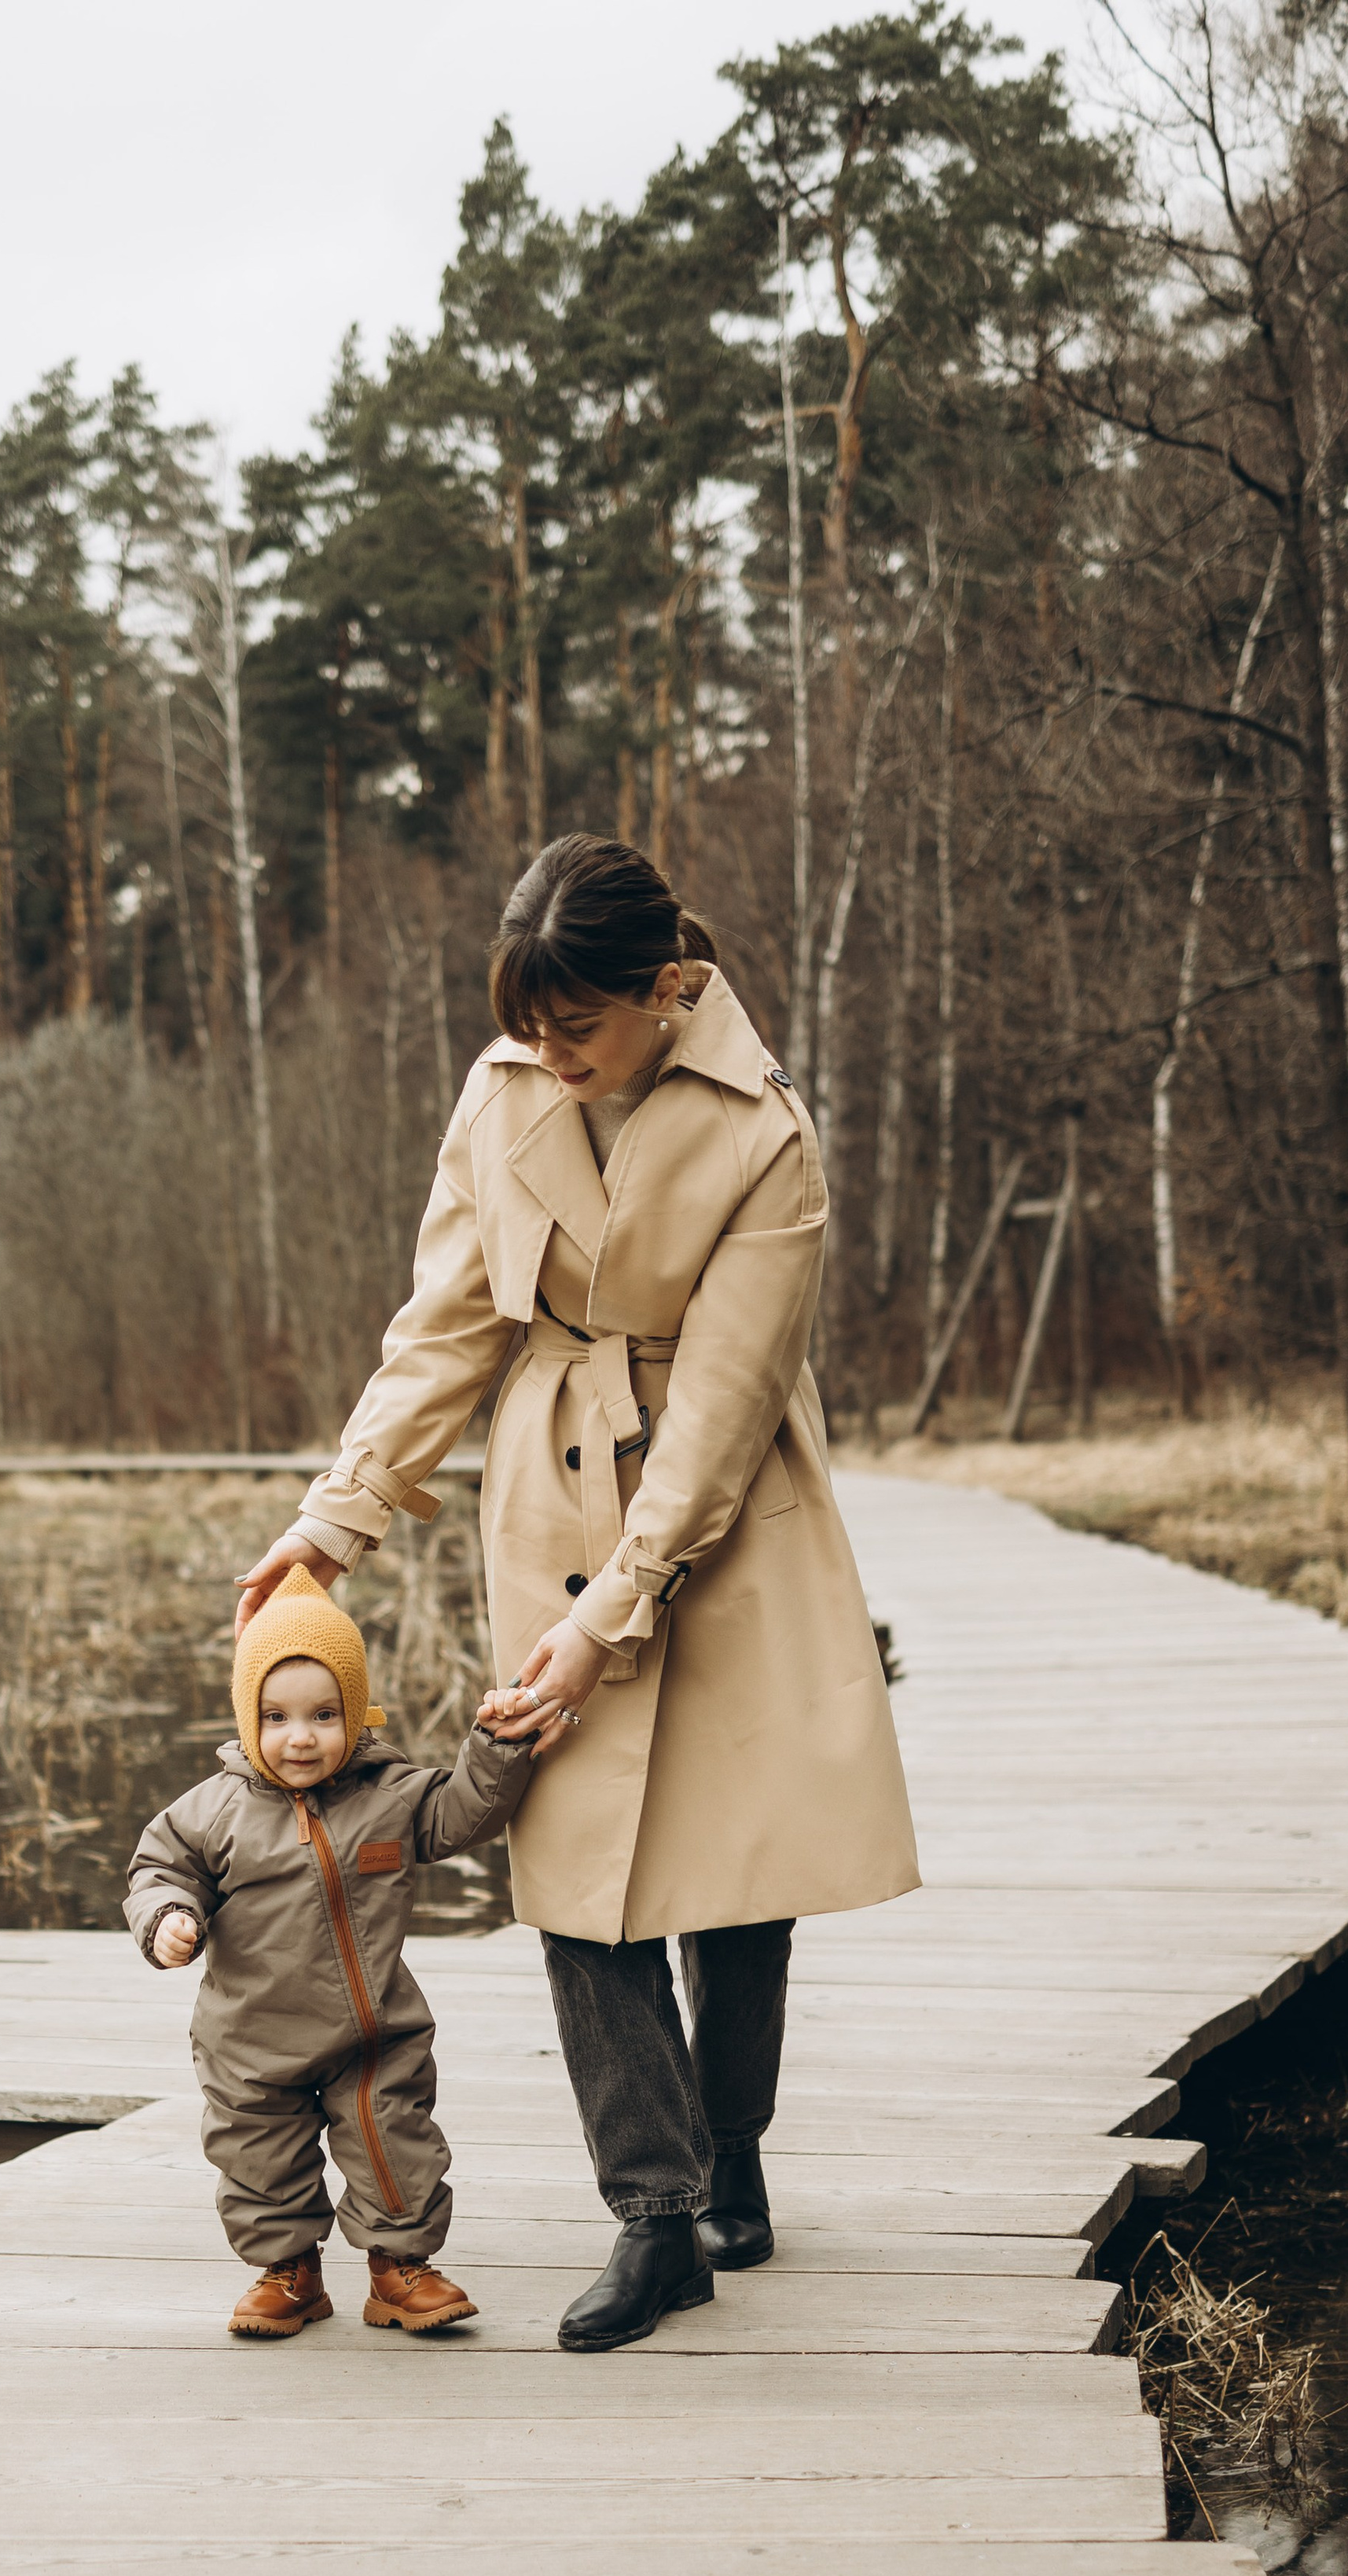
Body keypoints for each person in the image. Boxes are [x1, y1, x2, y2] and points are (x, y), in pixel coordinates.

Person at [235, 834, 918, 2353]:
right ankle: (656, 2215)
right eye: (529, 1025)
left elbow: (728, 1414)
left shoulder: (769, 1138)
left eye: (578, 1026)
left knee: (738, 1875)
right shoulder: (502, 1097)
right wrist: (333, 1526)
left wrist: (617, 1610)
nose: (550, 1054)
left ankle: (732, 2147)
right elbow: (445, 1333)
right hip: (549, 1492)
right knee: (575, 1864)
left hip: (728, 1522)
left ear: (669, 988)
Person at [126, 1562, 537, 2339]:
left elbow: (463, 1815)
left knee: (395, 2142)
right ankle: (289, 2272)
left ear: (355, 1712)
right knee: (259, 2156)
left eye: (322, 1715)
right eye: (276, 1717)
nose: (300, 1737)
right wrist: (167, 1918)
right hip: (251, 2039)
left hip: (371, 2032)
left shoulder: (390, 1795)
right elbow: (158, 1868)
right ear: (249, 1719)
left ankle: (398, 2268)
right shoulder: (212, 1811)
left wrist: (497, 1745)